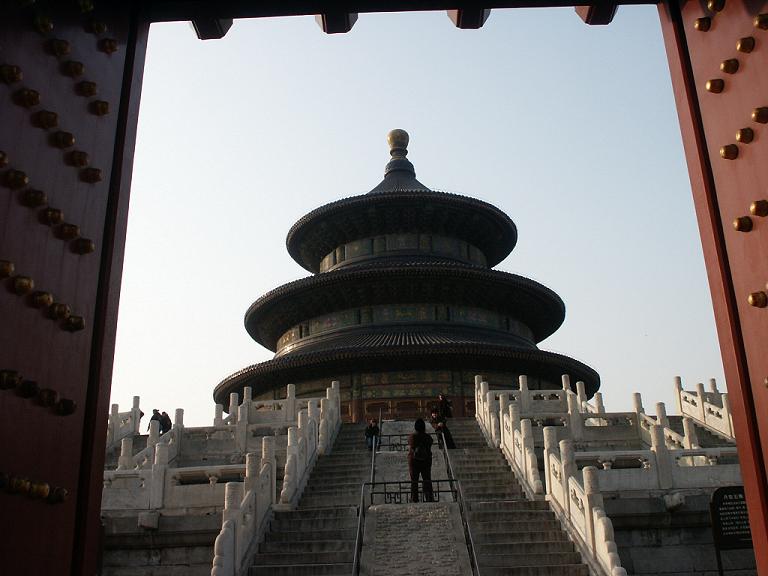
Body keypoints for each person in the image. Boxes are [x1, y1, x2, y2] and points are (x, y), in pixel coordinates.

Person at [408, 418, 434, 502]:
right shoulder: (427, 437)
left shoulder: (412, 437)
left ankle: (414, 498)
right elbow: (431, 442)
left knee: (414, 481)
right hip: (426, 461)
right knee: (427, 480)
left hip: (414, 461)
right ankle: (429, 498)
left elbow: (410, 444)